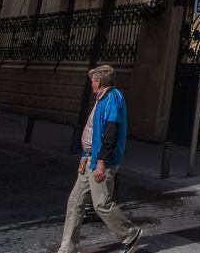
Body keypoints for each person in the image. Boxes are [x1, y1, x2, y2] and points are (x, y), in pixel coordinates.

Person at [57, 65, 142, 253]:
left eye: (93, 80)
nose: (91, 84)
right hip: (88, 160)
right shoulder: (103, 98)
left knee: (102, 203)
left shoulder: (113, 98)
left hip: (101, 162)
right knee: (75, 202)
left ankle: (130, 234)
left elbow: (110, 134)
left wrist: (101, 163)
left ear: (100, 81)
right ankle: (67, 248)